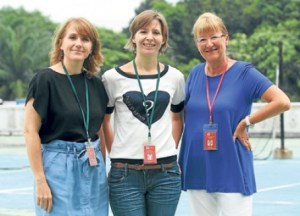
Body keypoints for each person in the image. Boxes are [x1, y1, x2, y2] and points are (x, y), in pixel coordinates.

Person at [178, 12, 291, 216]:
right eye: (202, 39)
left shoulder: (244, 73)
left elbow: (282, 101)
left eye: (214, 37)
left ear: (226, 39)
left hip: (232, 165)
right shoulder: (194, 74)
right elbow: (184, 116)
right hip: (197, 165)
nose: (209, 43)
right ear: (197, 45)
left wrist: (247, 121)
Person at [102, 9, 185, 216]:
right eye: (143, 31)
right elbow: (104, 123)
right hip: (125, 175)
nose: (150, 37)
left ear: (163, 39)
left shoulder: (175, 77)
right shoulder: (112, 78)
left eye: (156, 32)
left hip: (166, 174)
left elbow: (177, 118)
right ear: (133, 37)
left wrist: (169, 149)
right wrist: (117, 153)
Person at [23, 17, 108, 215]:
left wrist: (102, 168)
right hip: (58, 168)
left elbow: (99, 130)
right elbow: (30, 131)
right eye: (73, 37)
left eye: (85, 39)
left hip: (93, 165)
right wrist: (40, 180)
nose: (79, 43)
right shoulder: (44, 79)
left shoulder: (96, 84)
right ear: (61, 43)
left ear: (92, 48)